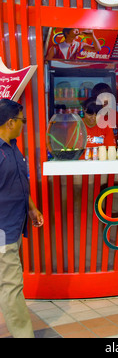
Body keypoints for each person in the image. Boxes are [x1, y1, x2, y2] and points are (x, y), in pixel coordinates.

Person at [0, 99, 44, 338]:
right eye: (22, 120)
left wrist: (31, 207)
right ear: (10, 122)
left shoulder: (12, 146)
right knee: (11, 285)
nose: (23, 125)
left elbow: (18, 183)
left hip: (15, 224)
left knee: (7, 282)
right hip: (2, 229)